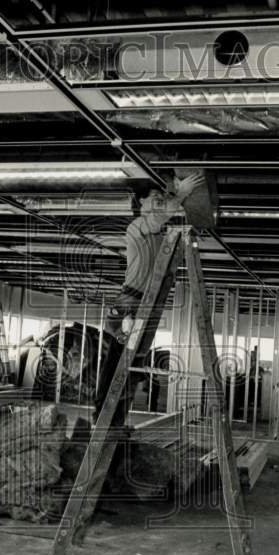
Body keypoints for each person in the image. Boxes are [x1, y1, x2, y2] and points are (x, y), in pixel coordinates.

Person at [94, 171, 206, 423]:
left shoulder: (160, 234)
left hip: (146, 305)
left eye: (160, 197)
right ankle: (100, 419)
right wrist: (180, 192)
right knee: (116, 365)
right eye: (153, 197)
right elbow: (158, 217)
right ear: (141, 203)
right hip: (130, 303)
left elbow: (166, 217)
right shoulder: (138, 227)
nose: (158, 201)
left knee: (132, 367)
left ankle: (116, 421)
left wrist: (173, 191)